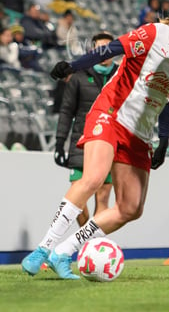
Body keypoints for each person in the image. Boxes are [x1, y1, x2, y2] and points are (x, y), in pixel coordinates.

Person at [21, 0, 169, 279]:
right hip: (111, 113)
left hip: (141, 133)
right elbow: (110, 50)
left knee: (131, 208)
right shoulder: (154, 33)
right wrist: (73, 66)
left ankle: (64, 251)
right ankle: (43, 248)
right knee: (93, 178)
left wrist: (163, 139)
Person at [54, 33, 118, 227]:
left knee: (103, 198)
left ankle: (92, 244)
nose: (105, 53)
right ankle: (84, 238)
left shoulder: (122, 75)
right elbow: (66, 111)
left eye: (109, 48)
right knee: (77, 198)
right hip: (81, 142)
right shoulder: (79, 77)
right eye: (100, 49)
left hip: (109, 142)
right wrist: (59, 142)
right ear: (92, 51)